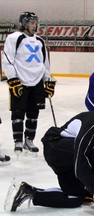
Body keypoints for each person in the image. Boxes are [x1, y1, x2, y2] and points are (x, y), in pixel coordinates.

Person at [4, 98, 94, 216]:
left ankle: (28, 192)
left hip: (68, 156)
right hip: (55, 147)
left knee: (75, 198)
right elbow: (81, 163)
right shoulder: (92, 127)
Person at [2, 12, 56, 155]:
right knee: (18, 112)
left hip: (37, 82)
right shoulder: (14, 38)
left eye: (35, 23)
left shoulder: (40, 41)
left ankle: (29, 140)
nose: (35, 25)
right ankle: (18, 142)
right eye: (32, 23)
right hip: (20, 81)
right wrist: (13, 80)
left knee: (34, 113)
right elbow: (7, 60)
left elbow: (45, 63)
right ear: (24, 24)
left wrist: (47, 80)